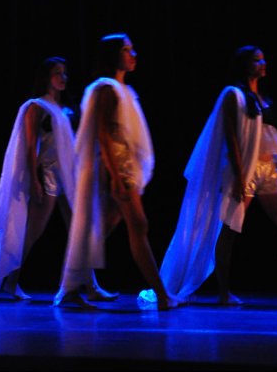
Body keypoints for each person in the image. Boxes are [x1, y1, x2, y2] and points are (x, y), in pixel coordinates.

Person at [139, 45, 277, 305]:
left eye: (263, 59)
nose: (262, 64)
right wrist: (238, 175)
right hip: (244, 171)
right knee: (228, 231)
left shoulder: (262, 98)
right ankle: (223, 291)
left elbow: (269, 138)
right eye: (256, 60)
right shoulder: (233, 95)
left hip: (268, 171)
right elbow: (231, 137)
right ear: (244, 65)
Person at [0, 57, 118, 302]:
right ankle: (11, 281)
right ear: (46, 77)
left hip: (68, 176)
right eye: (57, 73)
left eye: (64, 73)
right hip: (49, 175)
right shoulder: (36, 106)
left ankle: (90, 286)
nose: (63, 77)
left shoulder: (64, 109)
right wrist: (35, 180)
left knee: (79, 231)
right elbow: (31, 146)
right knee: (31, 233)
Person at [53, 33, 181, 310]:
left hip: (125, 167)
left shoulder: (123, 90)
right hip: (118, 169)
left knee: (100, 230)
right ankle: (162, 295)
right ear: (113, 55)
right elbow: (103, 135)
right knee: (139, 225)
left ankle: (71, 287)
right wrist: (115, 177)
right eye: (126, 49)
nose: (133, 54)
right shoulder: (107, 88)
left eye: (132, 49)